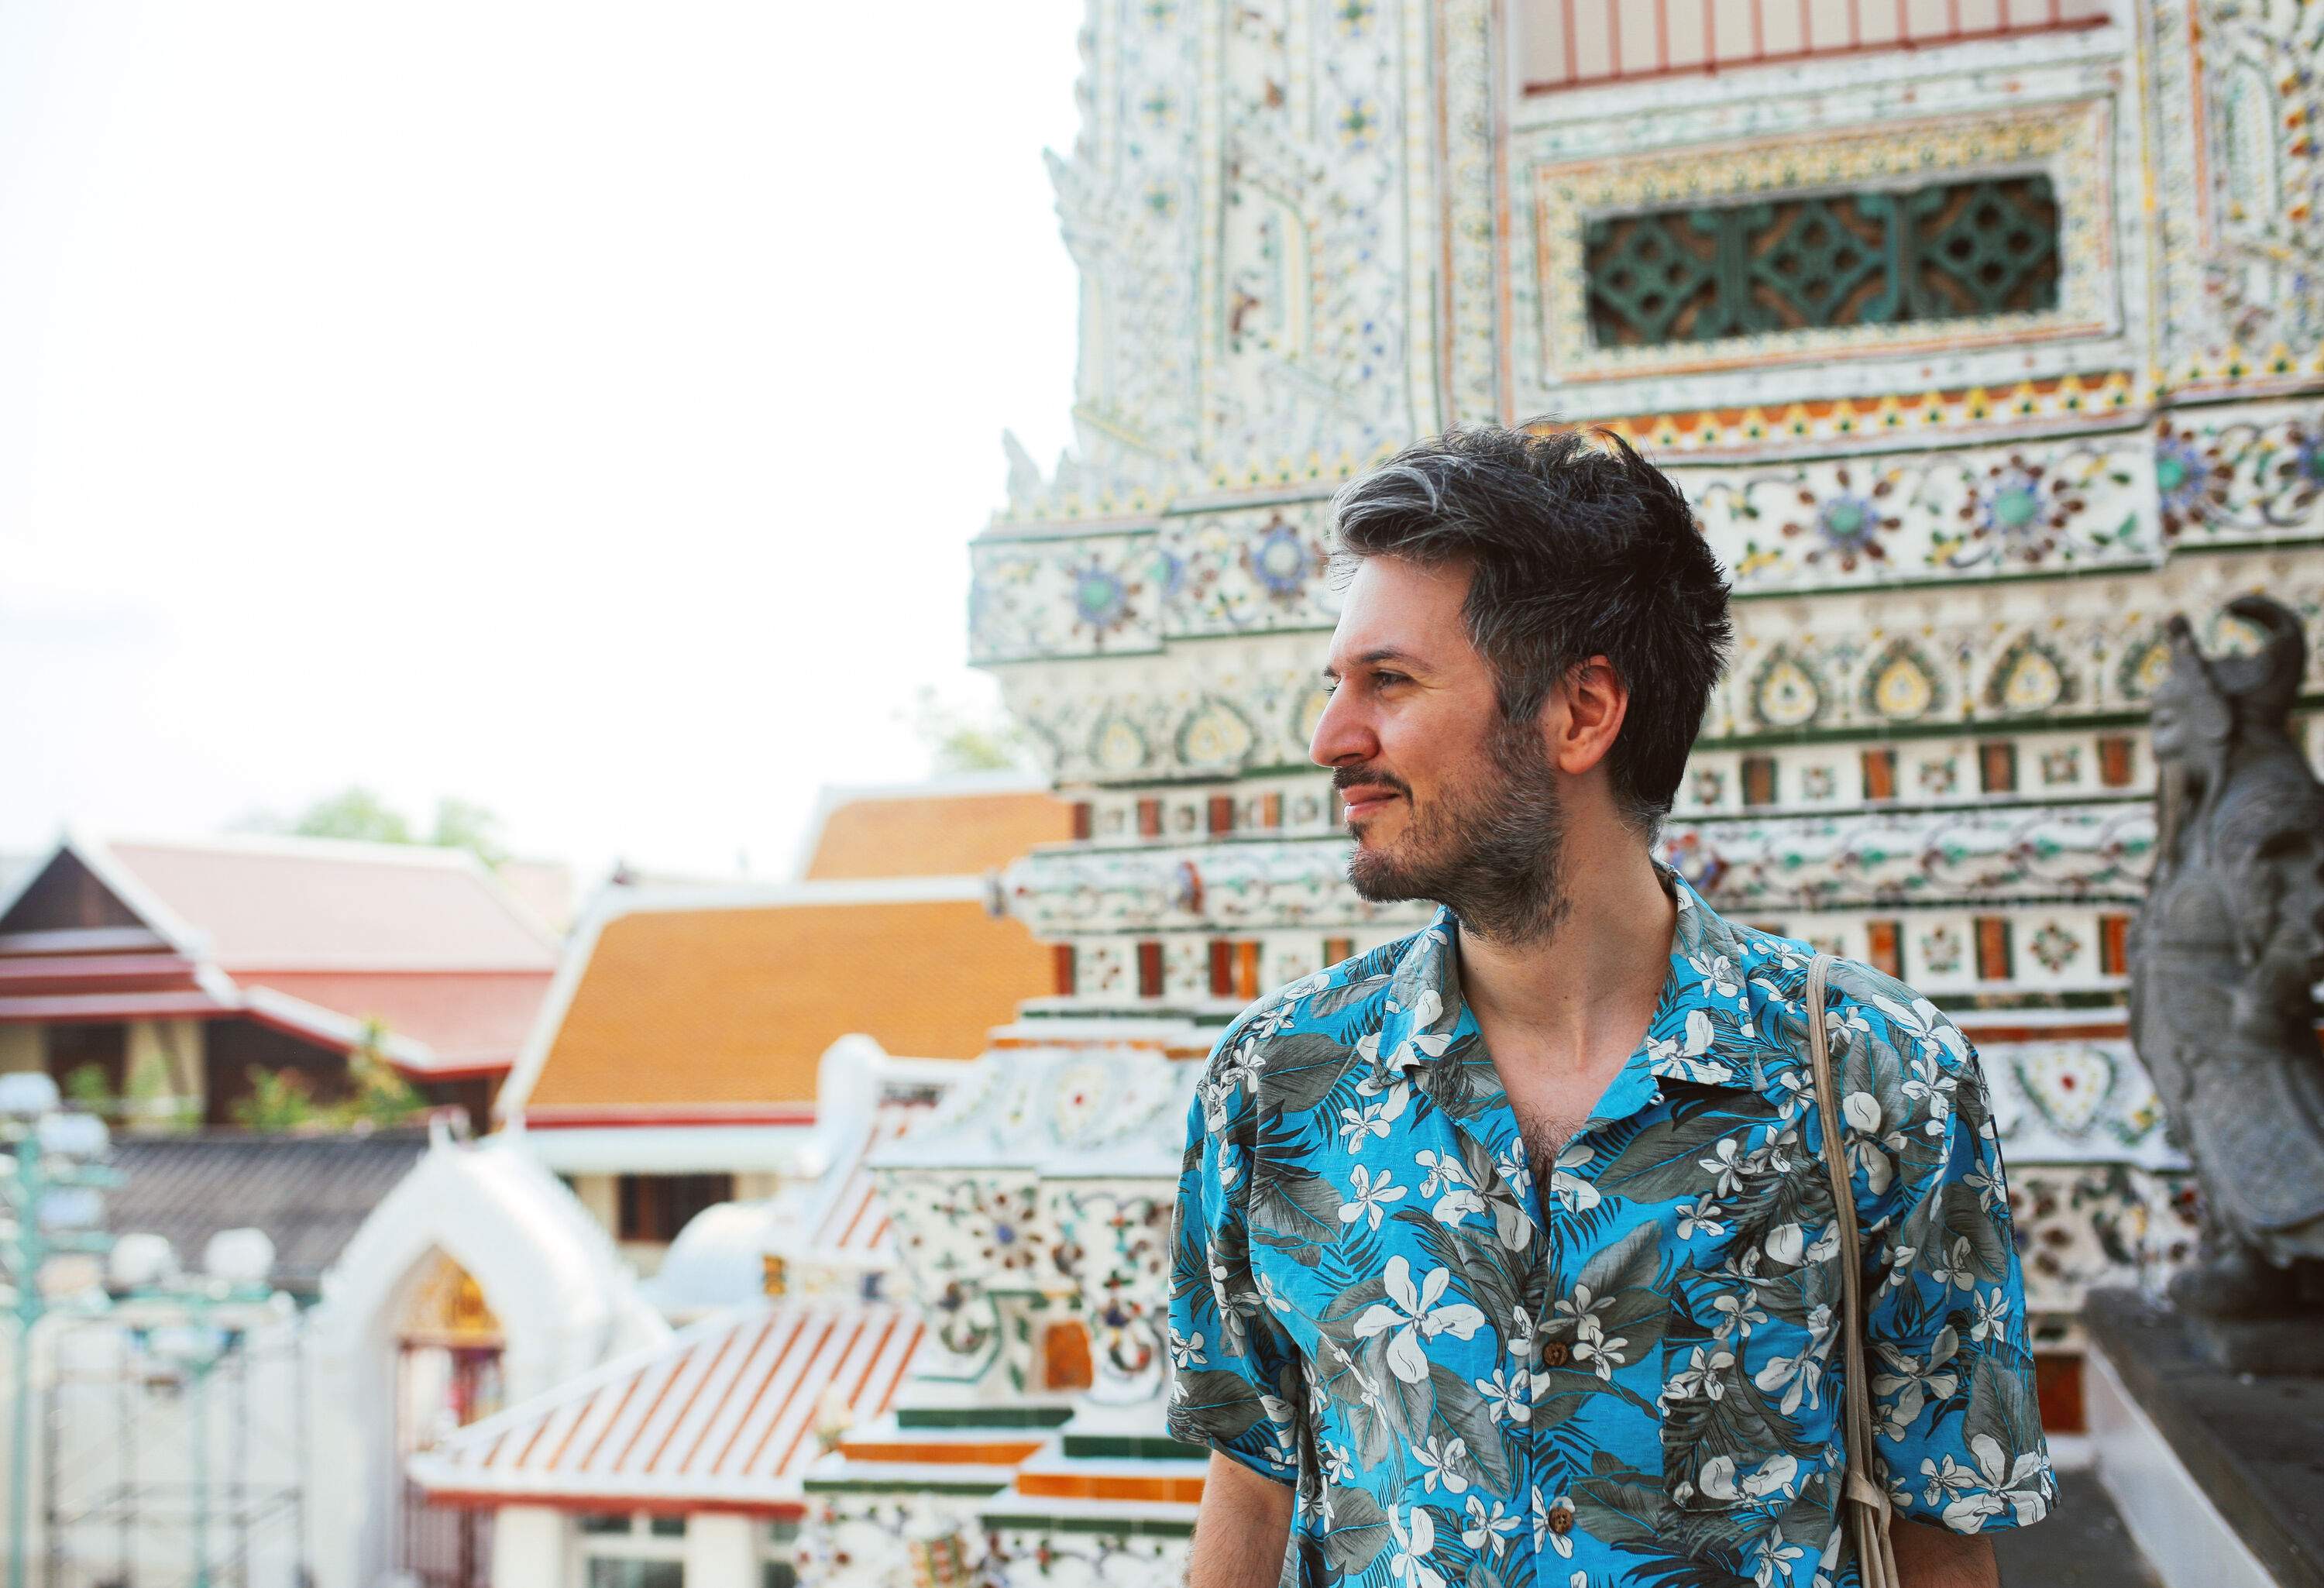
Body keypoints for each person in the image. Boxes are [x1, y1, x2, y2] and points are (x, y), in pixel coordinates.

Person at [1166, 425, 2051, 1588]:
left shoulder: (1878, 1078)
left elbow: (1941, 1532)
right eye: (1337, 684)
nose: (1333, 737)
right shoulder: (1279, 1083)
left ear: (1583, 713)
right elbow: (1252, 1472)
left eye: (1389, 680)